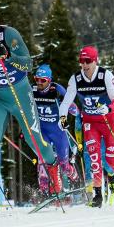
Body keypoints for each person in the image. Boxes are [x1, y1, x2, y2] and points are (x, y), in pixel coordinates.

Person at [0, 0, 57, 215]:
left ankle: (55, 177)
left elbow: (28, 64)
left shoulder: (8, 35)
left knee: (35, 141)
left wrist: (8, 56)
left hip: (20, 94)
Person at [59, 45, 114, 207]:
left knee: (112, 160)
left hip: (108, 121)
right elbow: (66, 102)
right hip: (90, 122)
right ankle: (98, 196)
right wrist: (62, 117)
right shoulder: (76, 79)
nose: (84, 65)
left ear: (95, 60)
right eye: (81, 61)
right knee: (94, 159)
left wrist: (109, 108)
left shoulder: (105, 75)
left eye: (87, 61)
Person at [31, 64, 79, 193]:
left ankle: (73, 174)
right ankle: (46, 190)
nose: (39, 83)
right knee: (43, 160)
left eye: (43, 80)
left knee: (64, 166)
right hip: (43, 131)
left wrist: (66, 110)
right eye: (37, 79)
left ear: (49, 80)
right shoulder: (32, 89)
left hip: (58, 132)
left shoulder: (57, 89)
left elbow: (73, 109)